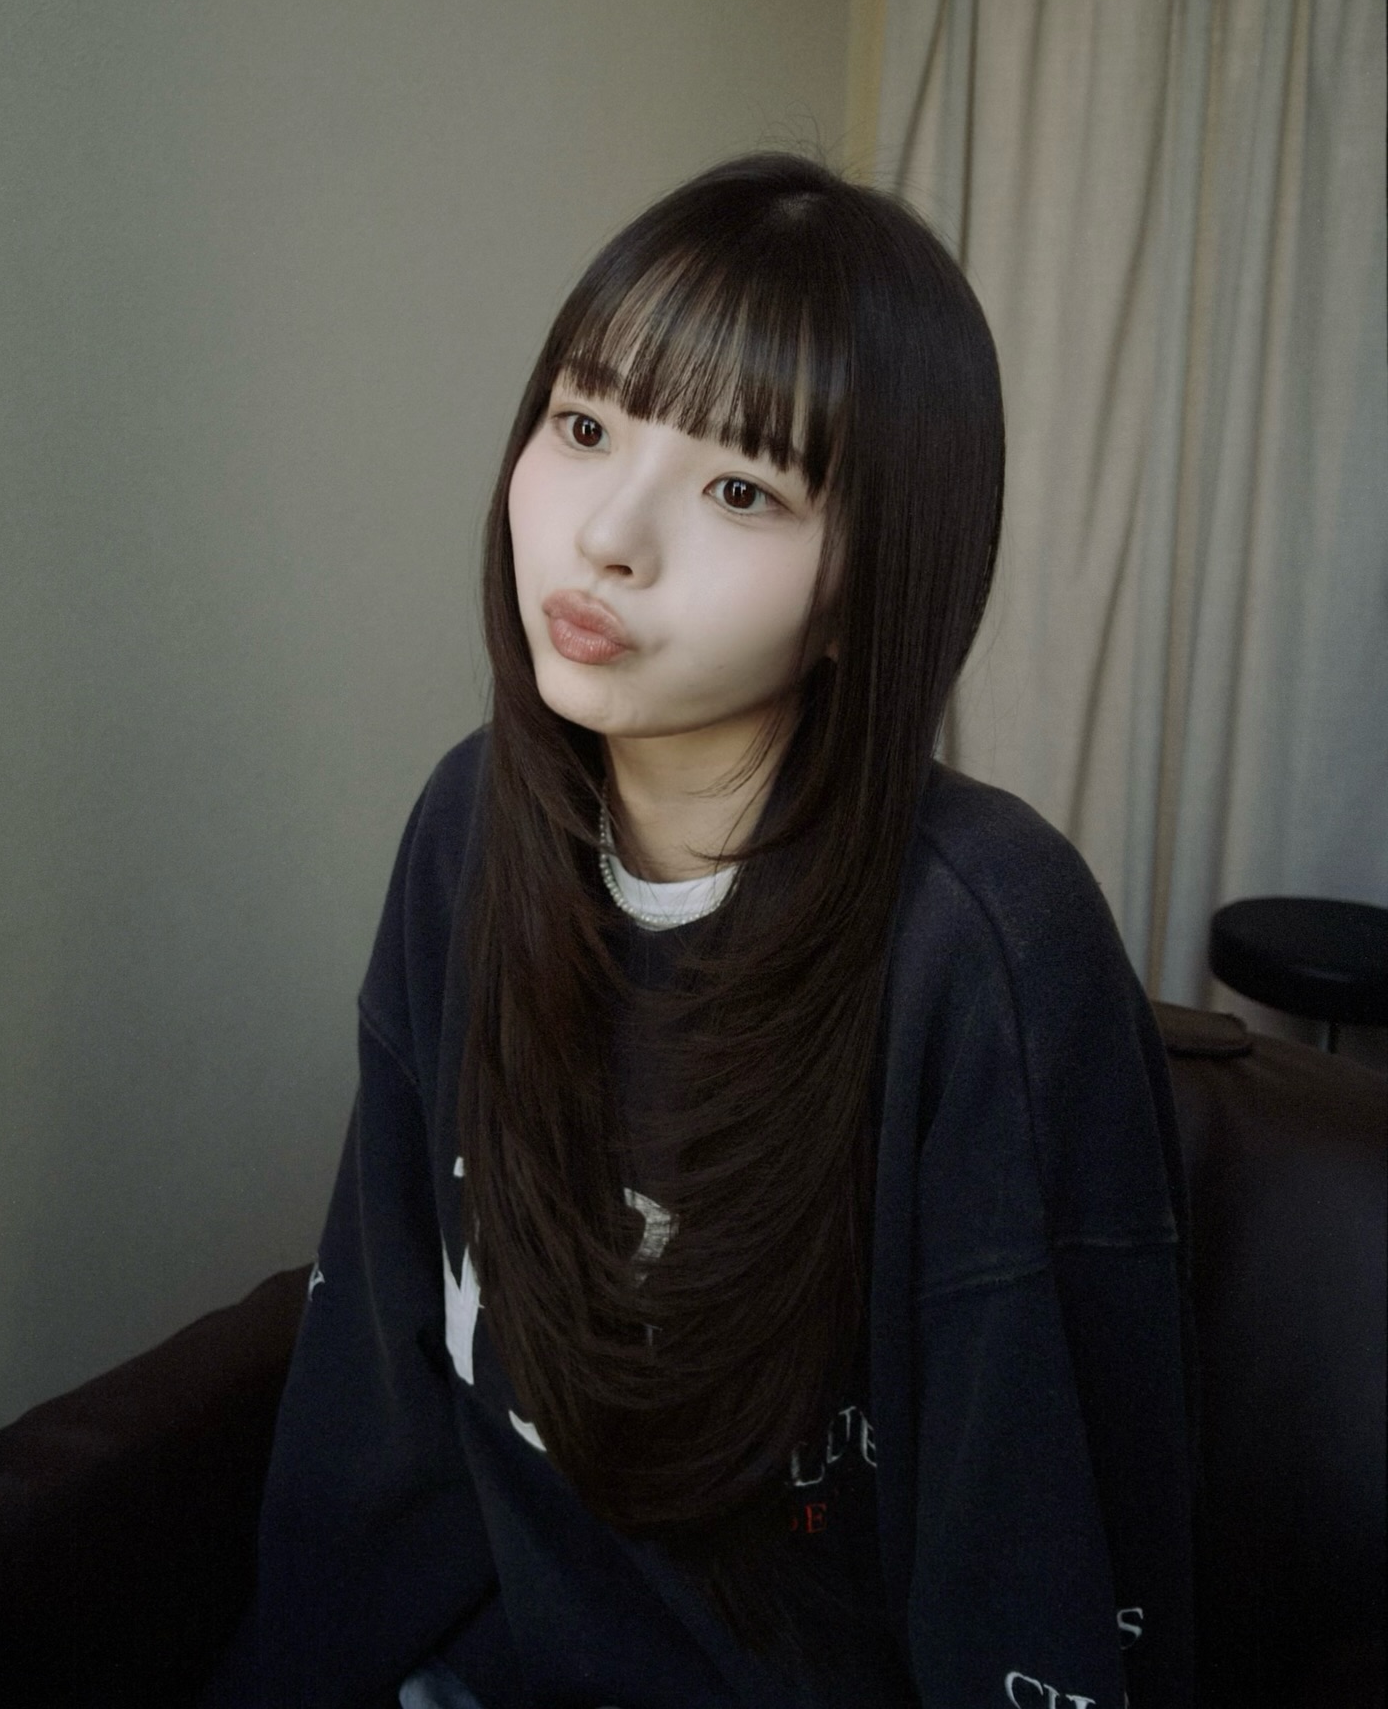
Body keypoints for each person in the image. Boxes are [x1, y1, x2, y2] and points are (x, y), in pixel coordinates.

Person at [200, 153, 1198, 1709]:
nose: (607, 533)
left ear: (870, 583)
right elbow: (377, 1398)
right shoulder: (471, 829)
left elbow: (1036, 1560)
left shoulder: (989, 947)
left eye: (742, 489)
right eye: (584, 427)